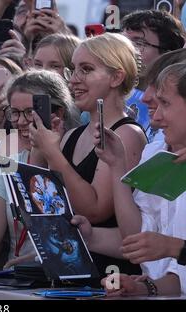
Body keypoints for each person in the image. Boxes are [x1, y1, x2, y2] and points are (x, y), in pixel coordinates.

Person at [31, 33, 147, 277]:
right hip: (72, 267)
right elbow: (49, 205)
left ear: (116, 77)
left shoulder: (127, 134)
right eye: (73, 70)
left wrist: (52, 152)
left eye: (86, 69)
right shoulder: (72, 135)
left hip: (112, 274)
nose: (74, 80)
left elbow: (95, 210)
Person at [72, 61, 186, 296]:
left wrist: (174, 247)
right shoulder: (156, 153)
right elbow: (141, 239)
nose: (155, 115)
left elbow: (172, 253)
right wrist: (117, 165)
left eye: (164, 103)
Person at [0, 70, 79, 267]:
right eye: (15, 113)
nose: (21, 121)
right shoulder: (9, 165)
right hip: (15, 281)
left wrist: (37, 258)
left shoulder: (74, 161)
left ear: (58, 113)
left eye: (30, 112)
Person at [121, 9, 186, 131]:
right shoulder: (112, 97)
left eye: (138, 43)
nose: (126, 50)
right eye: (123, 43)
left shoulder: (181, 101)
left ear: (167, 52)